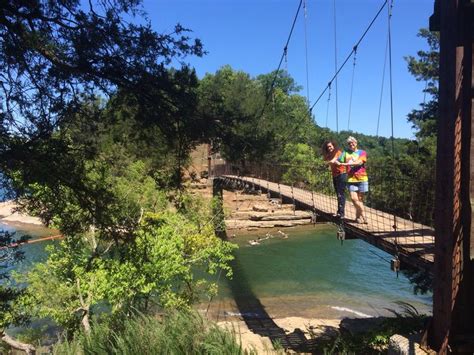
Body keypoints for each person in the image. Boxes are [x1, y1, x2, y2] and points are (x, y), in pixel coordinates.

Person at [336, 136, 368, 224]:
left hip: (362, 178)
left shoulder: (362, 152)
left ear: (356, 143)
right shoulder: (345, 153)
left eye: (352, 142)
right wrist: (337, 162)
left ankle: (357, 218)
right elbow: (338, 160)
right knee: (354, 199)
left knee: (360, 200)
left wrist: (343, 163)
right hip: (351, 179)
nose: (351, 144)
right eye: (349, 143)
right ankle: (364, 216)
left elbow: (359, 163)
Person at [322, 140, 347, 219]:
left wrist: (328, 162)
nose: (329, 148)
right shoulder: (329, 155)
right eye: (328, 147)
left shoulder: (338, 152)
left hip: (342, 174)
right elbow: (325, 162)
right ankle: (339, 212)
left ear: (334, 146)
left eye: (330, 146)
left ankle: (341, 213)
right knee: (338, 194)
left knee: (340, 194)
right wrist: (328, 161)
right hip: (335, 175)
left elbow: (331, 161)